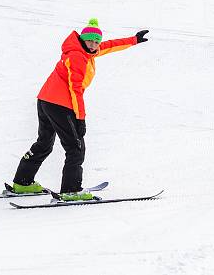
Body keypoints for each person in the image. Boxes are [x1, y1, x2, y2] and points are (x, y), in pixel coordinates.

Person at [11, 18, 149, 200]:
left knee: (44, 143)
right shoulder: (78, 57)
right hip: (60, 104)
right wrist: (80, 118)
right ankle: (71, 190)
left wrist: (134, 40)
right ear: (82, 39)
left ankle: (23, 182)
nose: (93, 45)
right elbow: (75, 90)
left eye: (96, 42)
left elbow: (108, 46)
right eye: (90, 41)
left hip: (45, 100)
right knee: (75, 148)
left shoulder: (83, 51)